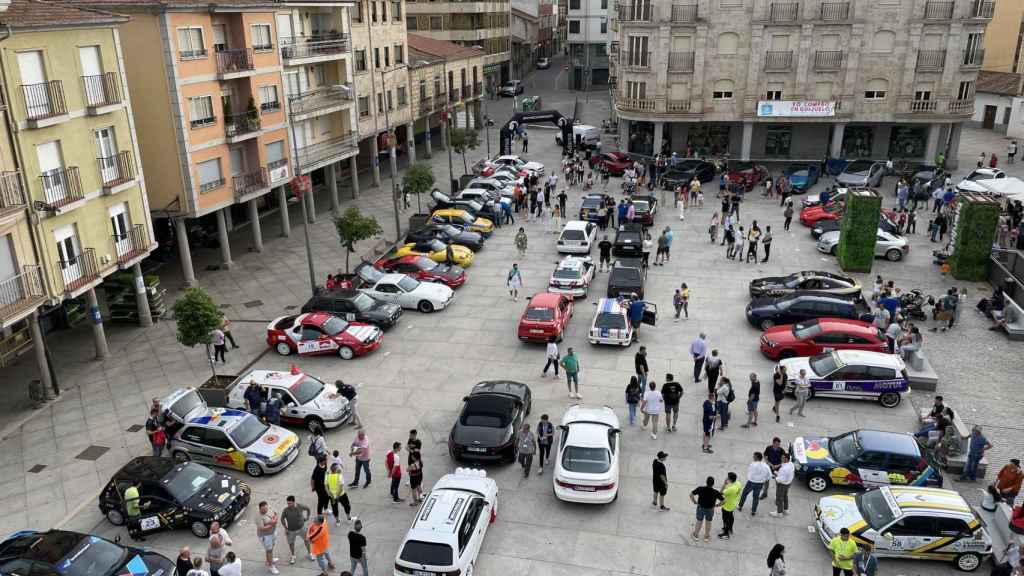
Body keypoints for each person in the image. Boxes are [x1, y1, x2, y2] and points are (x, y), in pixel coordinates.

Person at [281, 496, 314, 564]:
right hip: (291, 530)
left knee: (306, 540)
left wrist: (307, 517)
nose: (288, 505)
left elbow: (308, 509)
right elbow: (282, 519)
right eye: (288, 503)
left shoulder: (300, 506)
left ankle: (310, 553)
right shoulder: (286, 510)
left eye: (290, 503)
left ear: (294, 502)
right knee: (291, 543)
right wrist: (285, 528)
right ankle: (293, 556)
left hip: (301, 528)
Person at [690, 476, 724, 543]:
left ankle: (696, 535)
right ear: (713, 484)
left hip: (701, 508)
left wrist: (694, 501)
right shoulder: (715, 492)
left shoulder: (700, 489)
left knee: (699, 521)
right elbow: (724, 501)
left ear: (706, 482)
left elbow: (691, 494)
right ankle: (706, 536)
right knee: (708, 522)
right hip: (710, 509)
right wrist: (717, 505)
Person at [737, 451, 771, 516]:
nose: (753, 457)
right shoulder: (766, 466)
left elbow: (749, 473)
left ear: (756, 457)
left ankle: (740, 506)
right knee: (756, 497)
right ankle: (753, 511)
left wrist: (751, 478)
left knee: (744, 493)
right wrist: (763, 480)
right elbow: (769, 475)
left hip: (751, 482)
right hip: (760, 484)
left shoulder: (752, 464)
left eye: (754, 456)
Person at [256, 501, 281, 574]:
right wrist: (272, 523)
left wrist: (273, 520)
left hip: (272, 533)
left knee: (271, 547)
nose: (266, 510)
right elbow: (262, 528)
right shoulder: (258, 517)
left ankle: (269, 560)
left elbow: (276, 514)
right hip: (265, 536)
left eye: (266, 508)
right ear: (260, 509)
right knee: (269, 550)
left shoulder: (269, 510)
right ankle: (271, 566)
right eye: (264, 509)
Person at [771, 453, 795, 518]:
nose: (781, 458)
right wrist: (778, 473)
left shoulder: (785, 468)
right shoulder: (791, 464)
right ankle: (786, 509)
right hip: (788, 483)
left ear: (786, 459)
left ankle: (779, 513)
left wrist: (775, 477)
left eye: (782, 458)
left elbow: (782, 479)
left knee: (779, 498)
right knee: (785, 496)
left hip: (782, 484)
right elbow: (785, 475)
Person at [718, 472, 740, 539]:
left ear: (730, 479)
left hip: (728, 505)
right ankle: (730, 528)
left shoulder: (731, 489)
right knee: (730, 517)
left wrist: (724, 484)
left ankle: (726, 534)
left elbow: (720, 494)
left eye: (728, 477)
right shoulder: (738, 483)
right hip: (734, 502)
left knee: (725, 518)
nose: (726, 478)